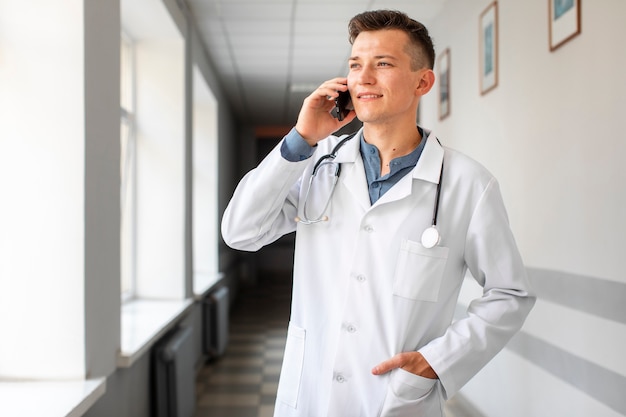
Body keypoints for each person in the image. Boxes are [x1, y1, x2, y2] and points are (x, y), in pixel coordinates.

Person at [221, 9, 535, 417]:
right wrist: (301, 140)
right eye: (355, 65)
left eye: (383, 64)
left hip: (394, 399)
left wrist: (435, 363)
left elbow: (510, 294)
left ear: (423, 81)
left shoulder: (467, 184)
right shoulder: (319, 164)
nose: (363, 78)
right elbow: (241, 231)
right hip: (311, 394)